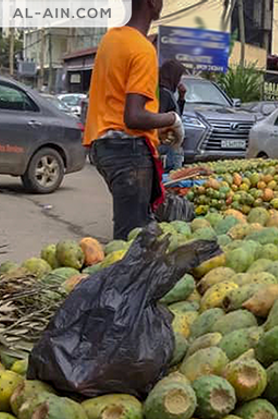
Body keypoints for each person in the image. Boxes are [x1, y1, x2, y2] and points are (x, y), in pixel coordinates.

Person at [83, 0, 185, 240]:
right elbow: (133, 117)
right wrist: (172, 119)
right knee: (132, 238)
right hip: (128, 152)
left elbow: (116, 105)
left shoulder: (111, 39)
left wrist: (155, 130)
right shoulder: (142, 49)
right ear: (151, 2)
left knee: (132, 229)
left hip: (102, 146)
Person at [157, 60, 188, 171]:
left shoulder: (168, 92)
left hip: (171, 145)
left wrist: (181, 97)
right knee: (172, 176)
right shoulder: (164, 94)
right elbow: (160, 118)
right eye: (179, 77)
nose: (179, 81)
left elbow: (177, 116)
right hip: (168, 146)